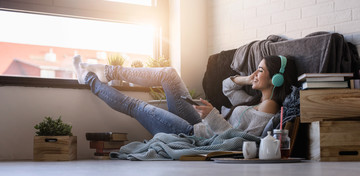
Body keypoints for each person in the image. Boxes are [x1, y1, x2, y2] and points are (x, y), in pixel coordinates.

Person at [72, 54, 297, 138]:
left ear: (276, 79)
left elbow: (236, 142)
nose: (255, 73)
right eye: (255, 68)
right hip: (202, 125)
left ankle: (88, 79)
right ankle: (108, 71)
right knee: (169, 74)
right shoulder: (255, 102)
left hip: (195, 134)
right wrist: (249, 79)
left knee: (137, 106)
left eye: (261, 70)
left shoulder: (268, 107)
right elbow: (226, 86)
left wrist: (212, 116)